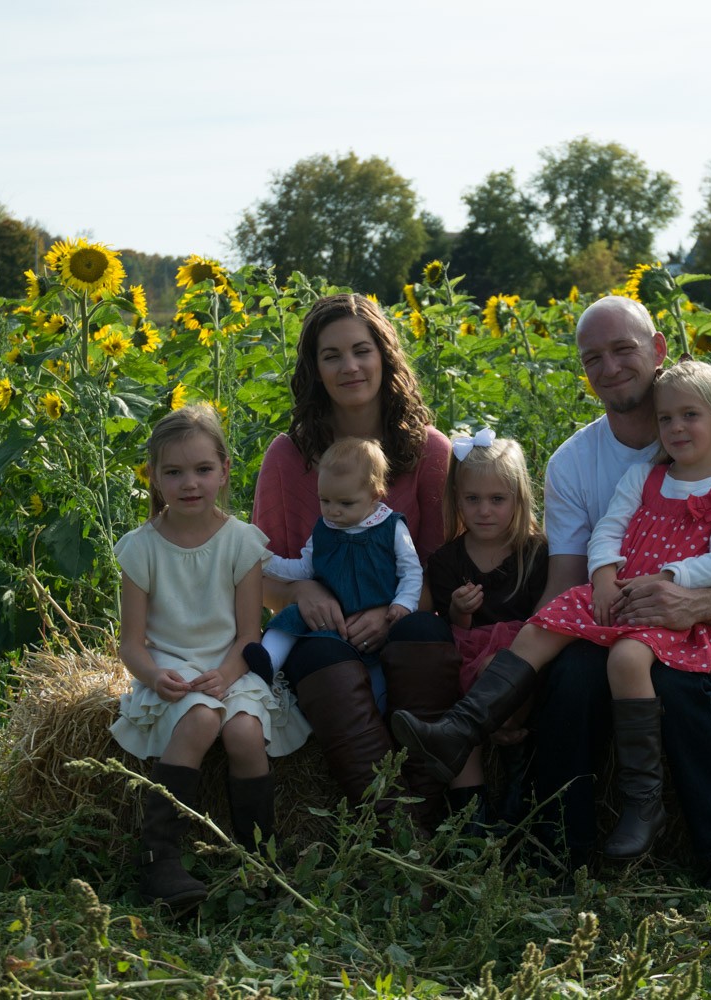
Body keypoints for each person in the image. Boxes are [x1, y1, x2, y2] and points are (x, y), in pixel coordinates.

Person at [419, 297, 711, 886]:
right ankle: (558, 854)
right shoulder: (575, 461)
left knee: (679, 679)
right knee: (569, 679)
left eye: (624, 349)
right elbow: (568, 578)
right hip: (614, 610)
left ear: (658, 349)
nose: (611, 366)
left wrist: (693, 602)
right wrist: (520, 678)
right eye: (594, 356)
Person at [251, 293, 458, 826]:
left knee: (424, 637)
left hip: (403, 619)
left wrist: (391, 612)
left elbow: (444, 572)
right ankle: (388, 827)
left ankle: (435, 812)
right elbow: (259, 576)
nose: (349, 367)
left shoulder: (430, 453)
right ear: (313, 369)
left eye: (362, 350)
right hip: (323, 636)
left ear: (385, 357)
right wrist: (301, 592)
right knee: (319, 657)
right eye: (331, 355)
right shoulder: (287, 456)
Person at [112, 404, 305, 910]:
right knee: (198, 720)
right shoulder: (142, 549)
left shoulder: (241, 543)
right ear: (153, 477)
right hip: (171, 666)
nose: (189, 483)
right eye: (172, 472)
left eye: (201, 469)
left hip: (230, 664)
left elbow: (249, 634)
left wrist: (224, 675)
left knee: (243, 732)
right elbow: (131, 643)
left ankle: (259, 854)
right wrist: (155, 677)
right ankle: (161, 857)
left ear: (224, 470)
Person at [424, 428, 548, 820]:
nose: (484, 511)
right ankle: (471, 819)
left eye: (497, 500)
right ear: (456, 500)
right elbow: (450, 625)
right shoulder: (446, 561)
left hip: (522, 668)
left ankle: (517, 779)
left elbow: (542, 622)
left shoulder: (535, 553)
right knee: (454, 714)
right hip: (468, 664)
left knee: (498, 667)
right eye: (472, 499)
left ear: (518, 499)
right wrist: (460, 610)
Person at [245, 437, 423, 680]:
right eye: (324, 500)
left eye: (345, 503)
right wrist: (264, 560)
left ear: (375, 495)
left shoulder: (391, 527)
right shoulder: (323, 530)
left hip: (377, 614)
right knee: (290, 621)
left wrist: (403, 604)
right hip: (331, 617)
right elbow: (303, 569)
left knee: (384, 668)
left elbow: (410, 571)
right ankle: (267, 663)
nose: (333, 510)